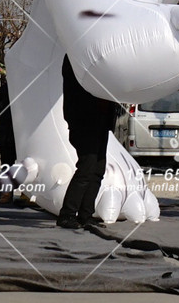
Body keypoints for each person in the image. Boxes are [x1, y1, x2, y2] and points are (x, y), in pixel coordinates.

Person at [57, 55, 119, 229]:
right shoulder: (75, 59)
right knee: (87, 167)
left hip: (101, 121)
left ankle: (86, 214)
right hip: (84, 122)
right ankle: (67, 214)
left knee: (98, 169)